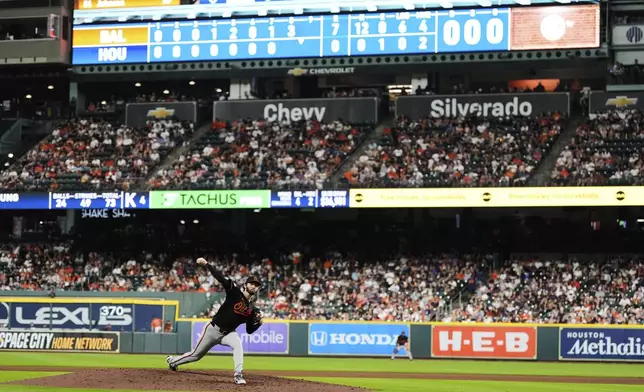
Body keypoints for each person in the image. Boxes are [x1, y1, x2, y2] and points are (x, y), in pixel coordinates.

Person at [166, 257, 263, 385]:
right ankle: (173, 361)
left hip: (228, 333)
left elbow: (249, 330)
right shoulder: (234, 293)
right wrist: (206, 264)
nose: (254, 286)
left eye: (256, 285)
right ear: (245, 285)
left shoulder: (251, 309)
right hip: (213, 329)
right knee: (196, 355)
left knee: (238, 345)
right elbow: (221, 278)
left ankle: (238, 374)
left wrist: (258, 324)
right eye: (252, 283)